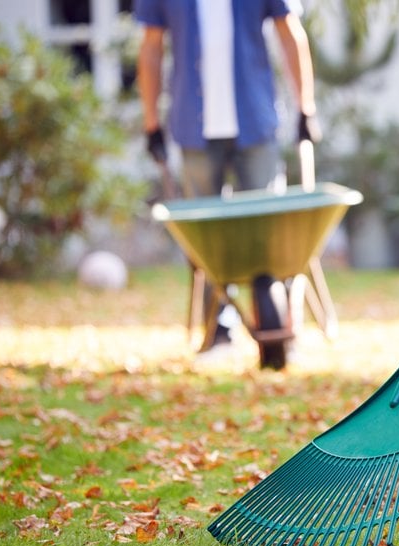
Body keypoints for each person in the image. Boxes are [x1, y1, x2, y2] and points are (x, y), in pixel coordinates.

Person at [135, 0, 321, 359]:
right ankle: (218, 330)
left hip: (256, 119)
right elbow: (151, 47)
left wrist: (305, 107)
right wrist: (150, 122)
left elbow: (290, 33)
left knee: (271, 232)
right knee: (206, 239)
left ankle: (280, 327)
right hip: (194, 126)